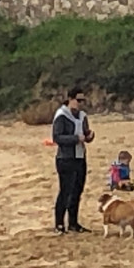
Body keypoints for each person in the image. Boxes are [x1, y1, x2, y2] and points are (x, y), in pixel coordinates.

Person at [52, 88, 95, 234]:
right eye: (78, 100)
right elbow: (57, 137)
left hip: (80, 157)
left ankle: (73, 223)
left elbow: (85, 133)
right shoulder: (61, 115)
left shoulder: (83, 116)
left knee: (77, 190)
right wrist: (76, 139)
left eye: (83, 101)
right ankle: (59, 224)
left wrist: (89, 136)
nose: (81, 104)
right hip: (65, 158)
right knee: (65, 191)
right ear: (70, 99)